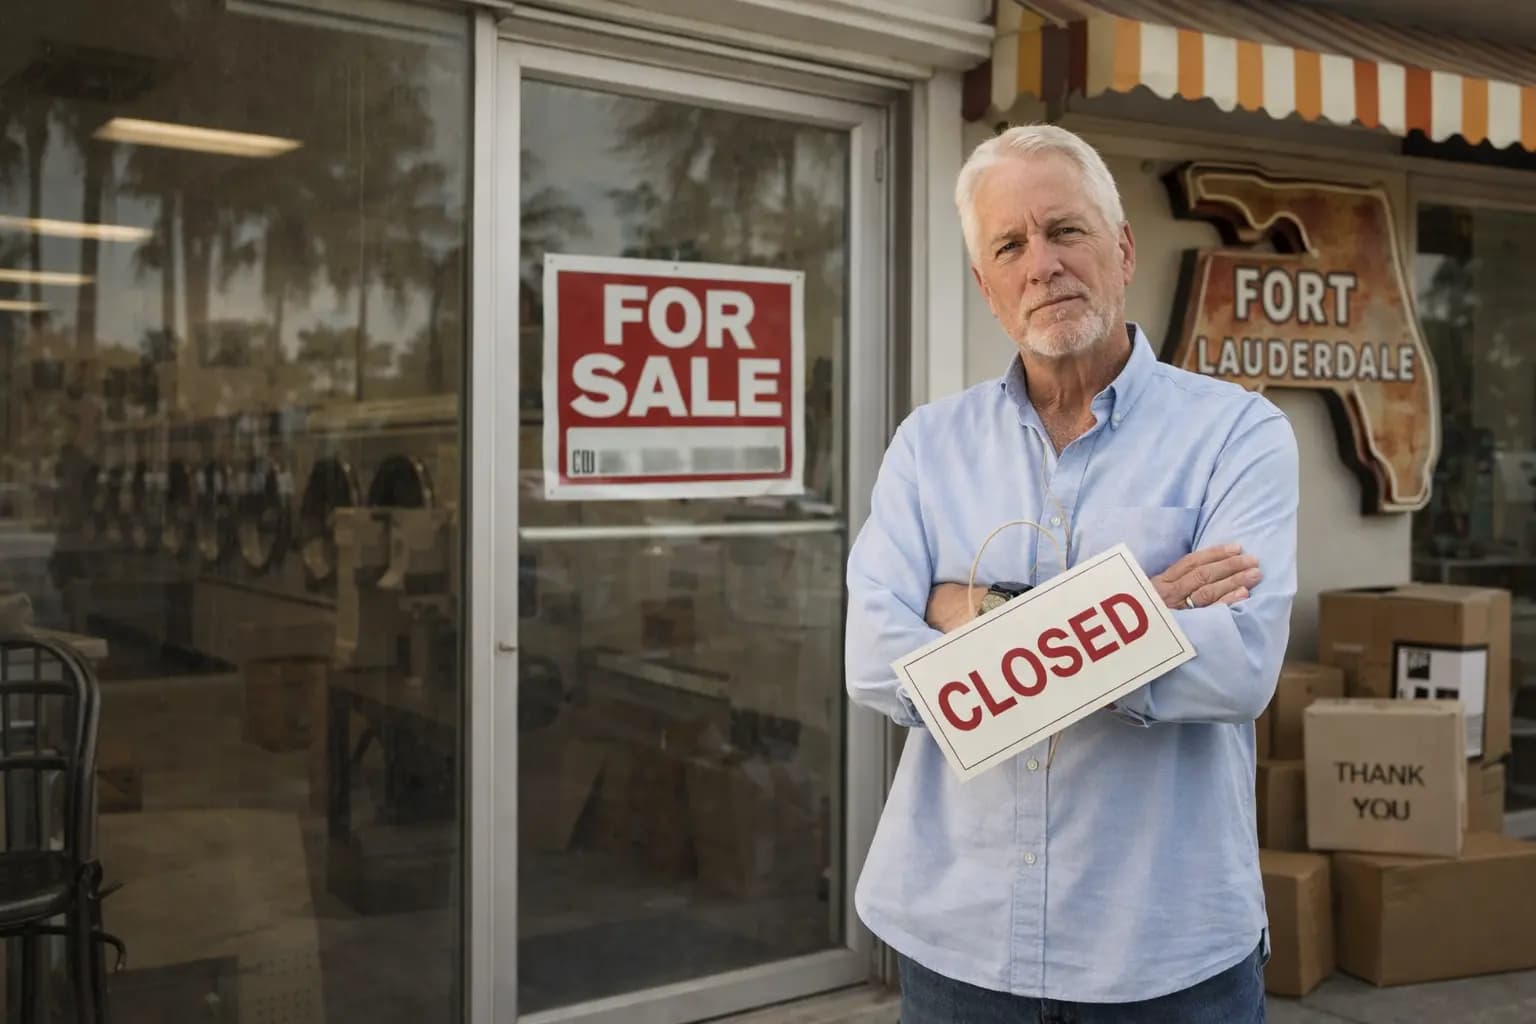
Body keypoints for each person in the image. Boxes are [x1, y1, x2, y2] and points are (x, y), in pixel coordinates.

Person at [845, 124, 1298, 1022]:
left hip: (1163, 956)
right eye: (1009, 245)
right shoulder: (928, 446)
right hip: (957, 943)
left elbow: (1239, 664)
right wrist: (1138, 612)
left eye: (1066, 231)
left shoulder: (1237, 436)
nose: (1041, 264)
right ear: (987, 286)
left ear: (1122, 249)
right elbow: (872, 659)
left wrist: (968, 611)